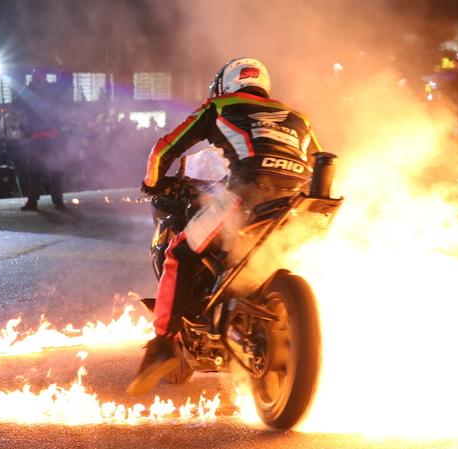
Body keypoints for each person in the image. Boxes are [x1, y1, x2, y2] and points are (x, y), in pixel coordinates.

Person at [127, 57, 322, 395]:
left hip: (245, 197)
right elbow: (318, 159)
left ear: (225, 85)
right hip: (297, 204)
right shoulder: (298, 118)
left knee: (178, 252)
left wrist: (153, 182)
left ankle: (161, 347)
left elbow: (166, 148)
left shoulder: (220, 106)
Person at [16, 68, 65, 211]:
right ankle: (47, 200)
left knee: (51, 169)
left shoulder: (46, 90)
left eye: (36, 76)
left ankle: (52, 200)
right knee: (38, 170)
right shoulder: (35, 90)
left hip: (48, 136)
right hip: (42, 136)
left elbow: (17, 104)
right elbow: (17, 104)